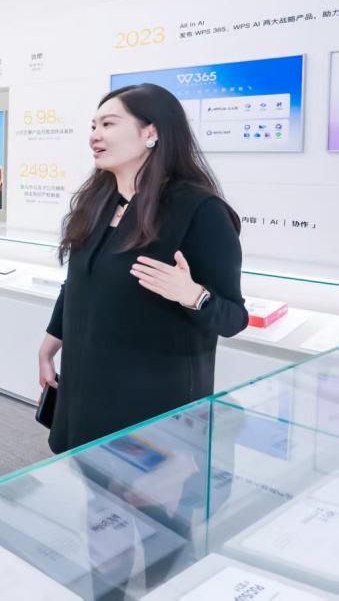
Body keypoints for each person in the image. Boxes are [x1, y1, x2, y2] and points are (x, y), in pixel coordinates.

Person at [37, 83, 249, 456]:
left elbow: (234, 318)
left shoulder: (200, 211)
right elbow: (79, 282)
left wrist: (192, 295)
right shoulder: (97, 202)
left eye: (108, 124)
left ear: (151, 132)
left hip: (153, 404)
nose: (95, 135)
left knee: (137, 486)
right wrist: (51, 343)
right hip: (87, 386)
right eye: (93, 126)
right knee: (86, 479)